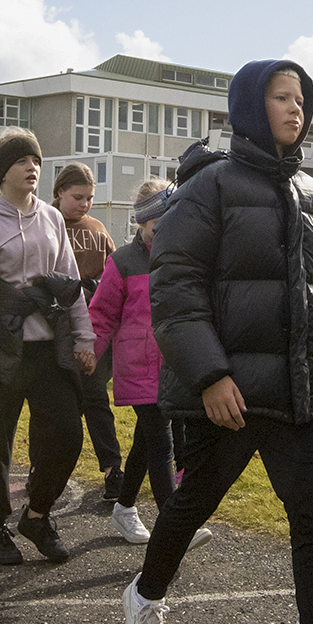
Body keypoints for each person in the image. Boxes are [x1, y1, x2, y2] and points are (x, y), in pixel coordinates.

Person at [121, 59, 313, 624]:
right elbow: (175, 291)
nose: (296, 109)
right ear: (247, 105)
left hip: (296, 393)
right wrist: (210, 376)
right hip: (228, 394)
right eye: (280, 97)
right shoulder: (206, 189)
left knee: (311, 522)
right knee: (193, 502)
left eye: (302, 98)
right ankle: (146, 596)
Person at [0, 129, 97, 565]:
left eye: (35, 160)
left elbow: (69, 286)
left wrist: (85, 337)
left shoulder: (53, 219)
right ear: (1, 172)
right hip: (2, 347)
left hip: (47, 348)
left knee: (68, 435)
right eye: (21, 161)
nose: (32, 167)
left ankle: (37, 515)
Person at [88, 179, 212, 550]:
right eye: (156, 225)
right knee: (160, 440)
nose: (164, 231)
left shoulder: (186, 255)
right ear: (141, 223)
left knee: (148, 439)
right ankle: (172, 523)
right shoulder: (123, 261)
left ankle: (125, 508)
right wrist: (89, 354)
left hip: (175, 365)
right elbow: (103, 313)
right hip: (138, 365)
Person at [47, 162, 122, 500]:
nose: (84, 204)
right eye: (78, 197)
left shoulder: (96, 227)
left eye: (90, 198)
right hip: (52, 328)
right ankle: (43, 468)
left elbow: (115, 272)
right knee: (55, 407)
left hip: (94, 329)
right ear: (59, 191)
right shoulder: (44, 222)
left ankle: (112, 470)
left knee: (95, 398)